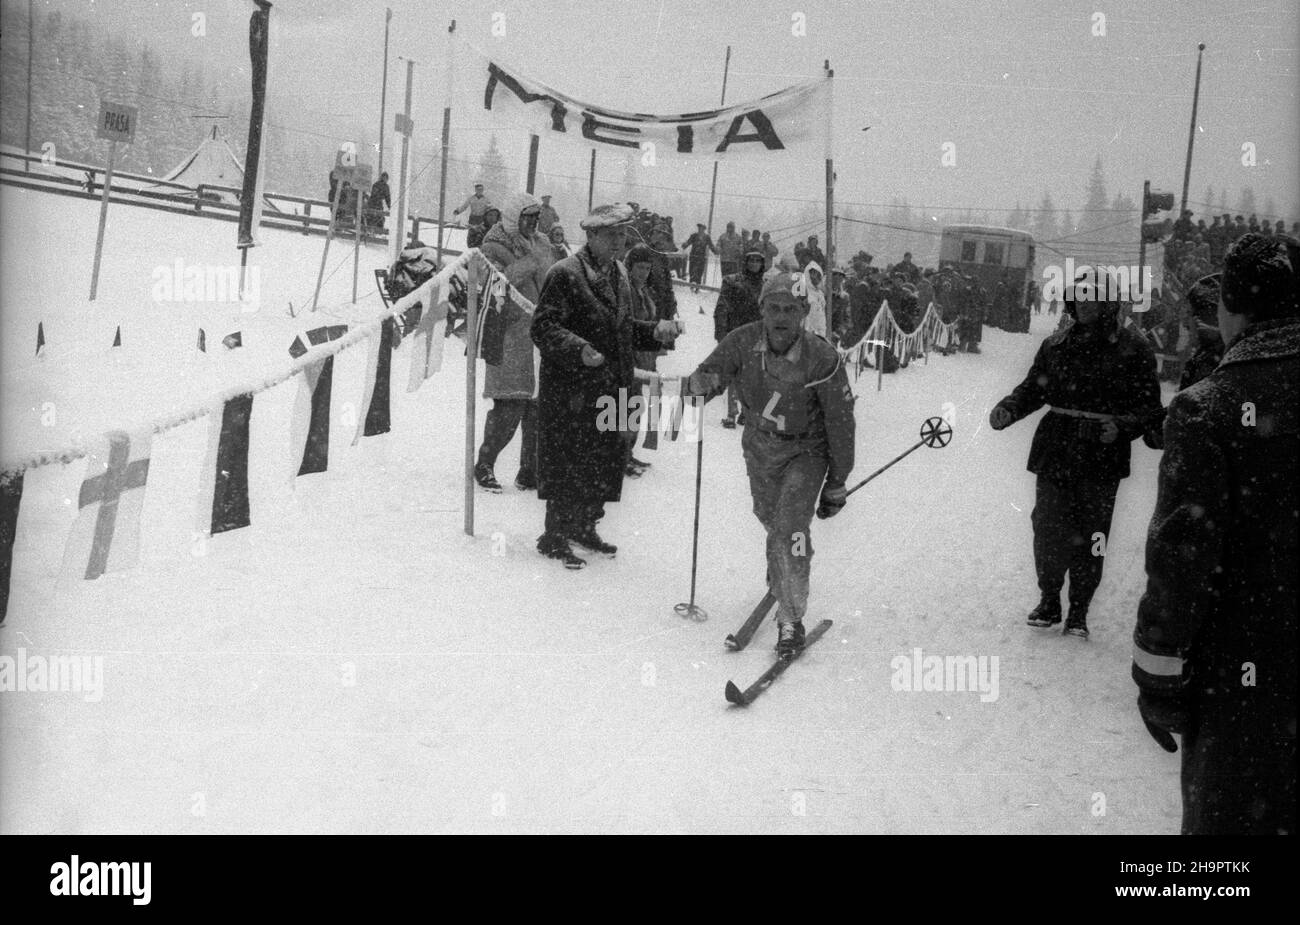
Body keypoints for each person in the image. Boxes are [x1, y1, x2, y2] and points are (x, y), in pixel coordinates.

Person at [1132, 232, 1298, 835]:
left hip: (1245, 680)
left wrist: (1157, 677)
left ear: (1229, 307)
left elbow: (1181, 557)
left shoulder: (1211, 408)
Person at [684, 271, 856, 655]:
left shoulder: (821, 357)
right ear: (762, 308)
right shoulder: (743, 341)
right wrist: (696, 388)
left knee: (790, 527)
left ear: (804, 311)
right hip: (760, 448)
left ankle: (791, 618)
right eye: (773, 308)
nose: (781, 318)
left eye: (790, 310)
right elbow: (710, 376)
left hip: (806, 452)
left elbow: (841, 422)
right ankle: (783, 570)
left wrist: (838, 480)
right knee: (768, 517)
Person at [988, 269, 1163, 638]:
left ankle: (1079, 609)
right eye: (1078, 296)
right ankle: (1049, 599)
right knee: (1048, 527)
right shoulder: (1055, 345)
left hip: (1103, 453)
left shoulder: (1134, 348)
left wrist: (1124, 426)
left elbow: (1150, 408)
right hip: (1056, 448)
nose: (1083, 303)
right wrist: (1008, 409)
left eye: (1091, 297)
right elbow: (1033, 389)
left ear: (1108, 303)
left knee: (1093, 534)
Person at [531, 203, 681, 568]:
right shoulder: (564, 273)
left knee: (601, 461)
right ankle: (554, 534)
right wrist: (579, 349)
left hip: (612, 386)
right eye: (613, 235)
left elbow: (623, 327)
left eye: (623, 235)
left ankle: (585, 526)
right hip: (573, 389)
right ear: (592, 236)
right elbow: (543, 327)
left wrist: (654, 331)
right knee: (570, 460)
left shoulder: (619, 273)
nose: (621, 241)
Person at [473, 193, 555, 493]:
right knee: (509, 406)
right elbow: (494, 285)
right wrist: (528, 264)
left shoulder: (542, 243)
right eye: (527, 217)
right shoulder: (492, 246)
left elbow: (551, 280)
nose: (533, 223)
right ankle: (484, 464)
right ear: (512, 218)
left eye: (536, 217)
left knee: (536, 408)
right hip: (508, 336)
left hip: (539, 336)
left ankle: (529, 470)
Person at [714, 250, 767, 428]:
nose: (754, 264)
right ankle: (731, 413)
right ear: (745, 262)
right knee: (734, 374)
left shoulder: (766, 285)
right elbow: (722, 307)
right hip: (735, 332)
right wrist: (721, 333)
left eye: (757, 261)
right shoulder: (732, 281)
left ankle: (746, 411)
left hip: (757, 335)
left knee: (752, 375)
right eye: (751, 260)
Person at [681, 223, 717, 294]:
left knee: (699, 273)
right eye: (699, 228)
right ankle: (691, 287)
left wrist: (715, 251)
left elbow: (711, 246)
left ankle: (697, 288)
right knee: (692, 272)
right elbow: (688, 242)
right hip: (693, 257)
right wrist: (684, 245)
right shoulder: (694, 236)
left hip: (701, 258)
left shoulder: (707, 237)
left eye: (701, 228)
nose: (700, 229)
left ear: (704, 229)